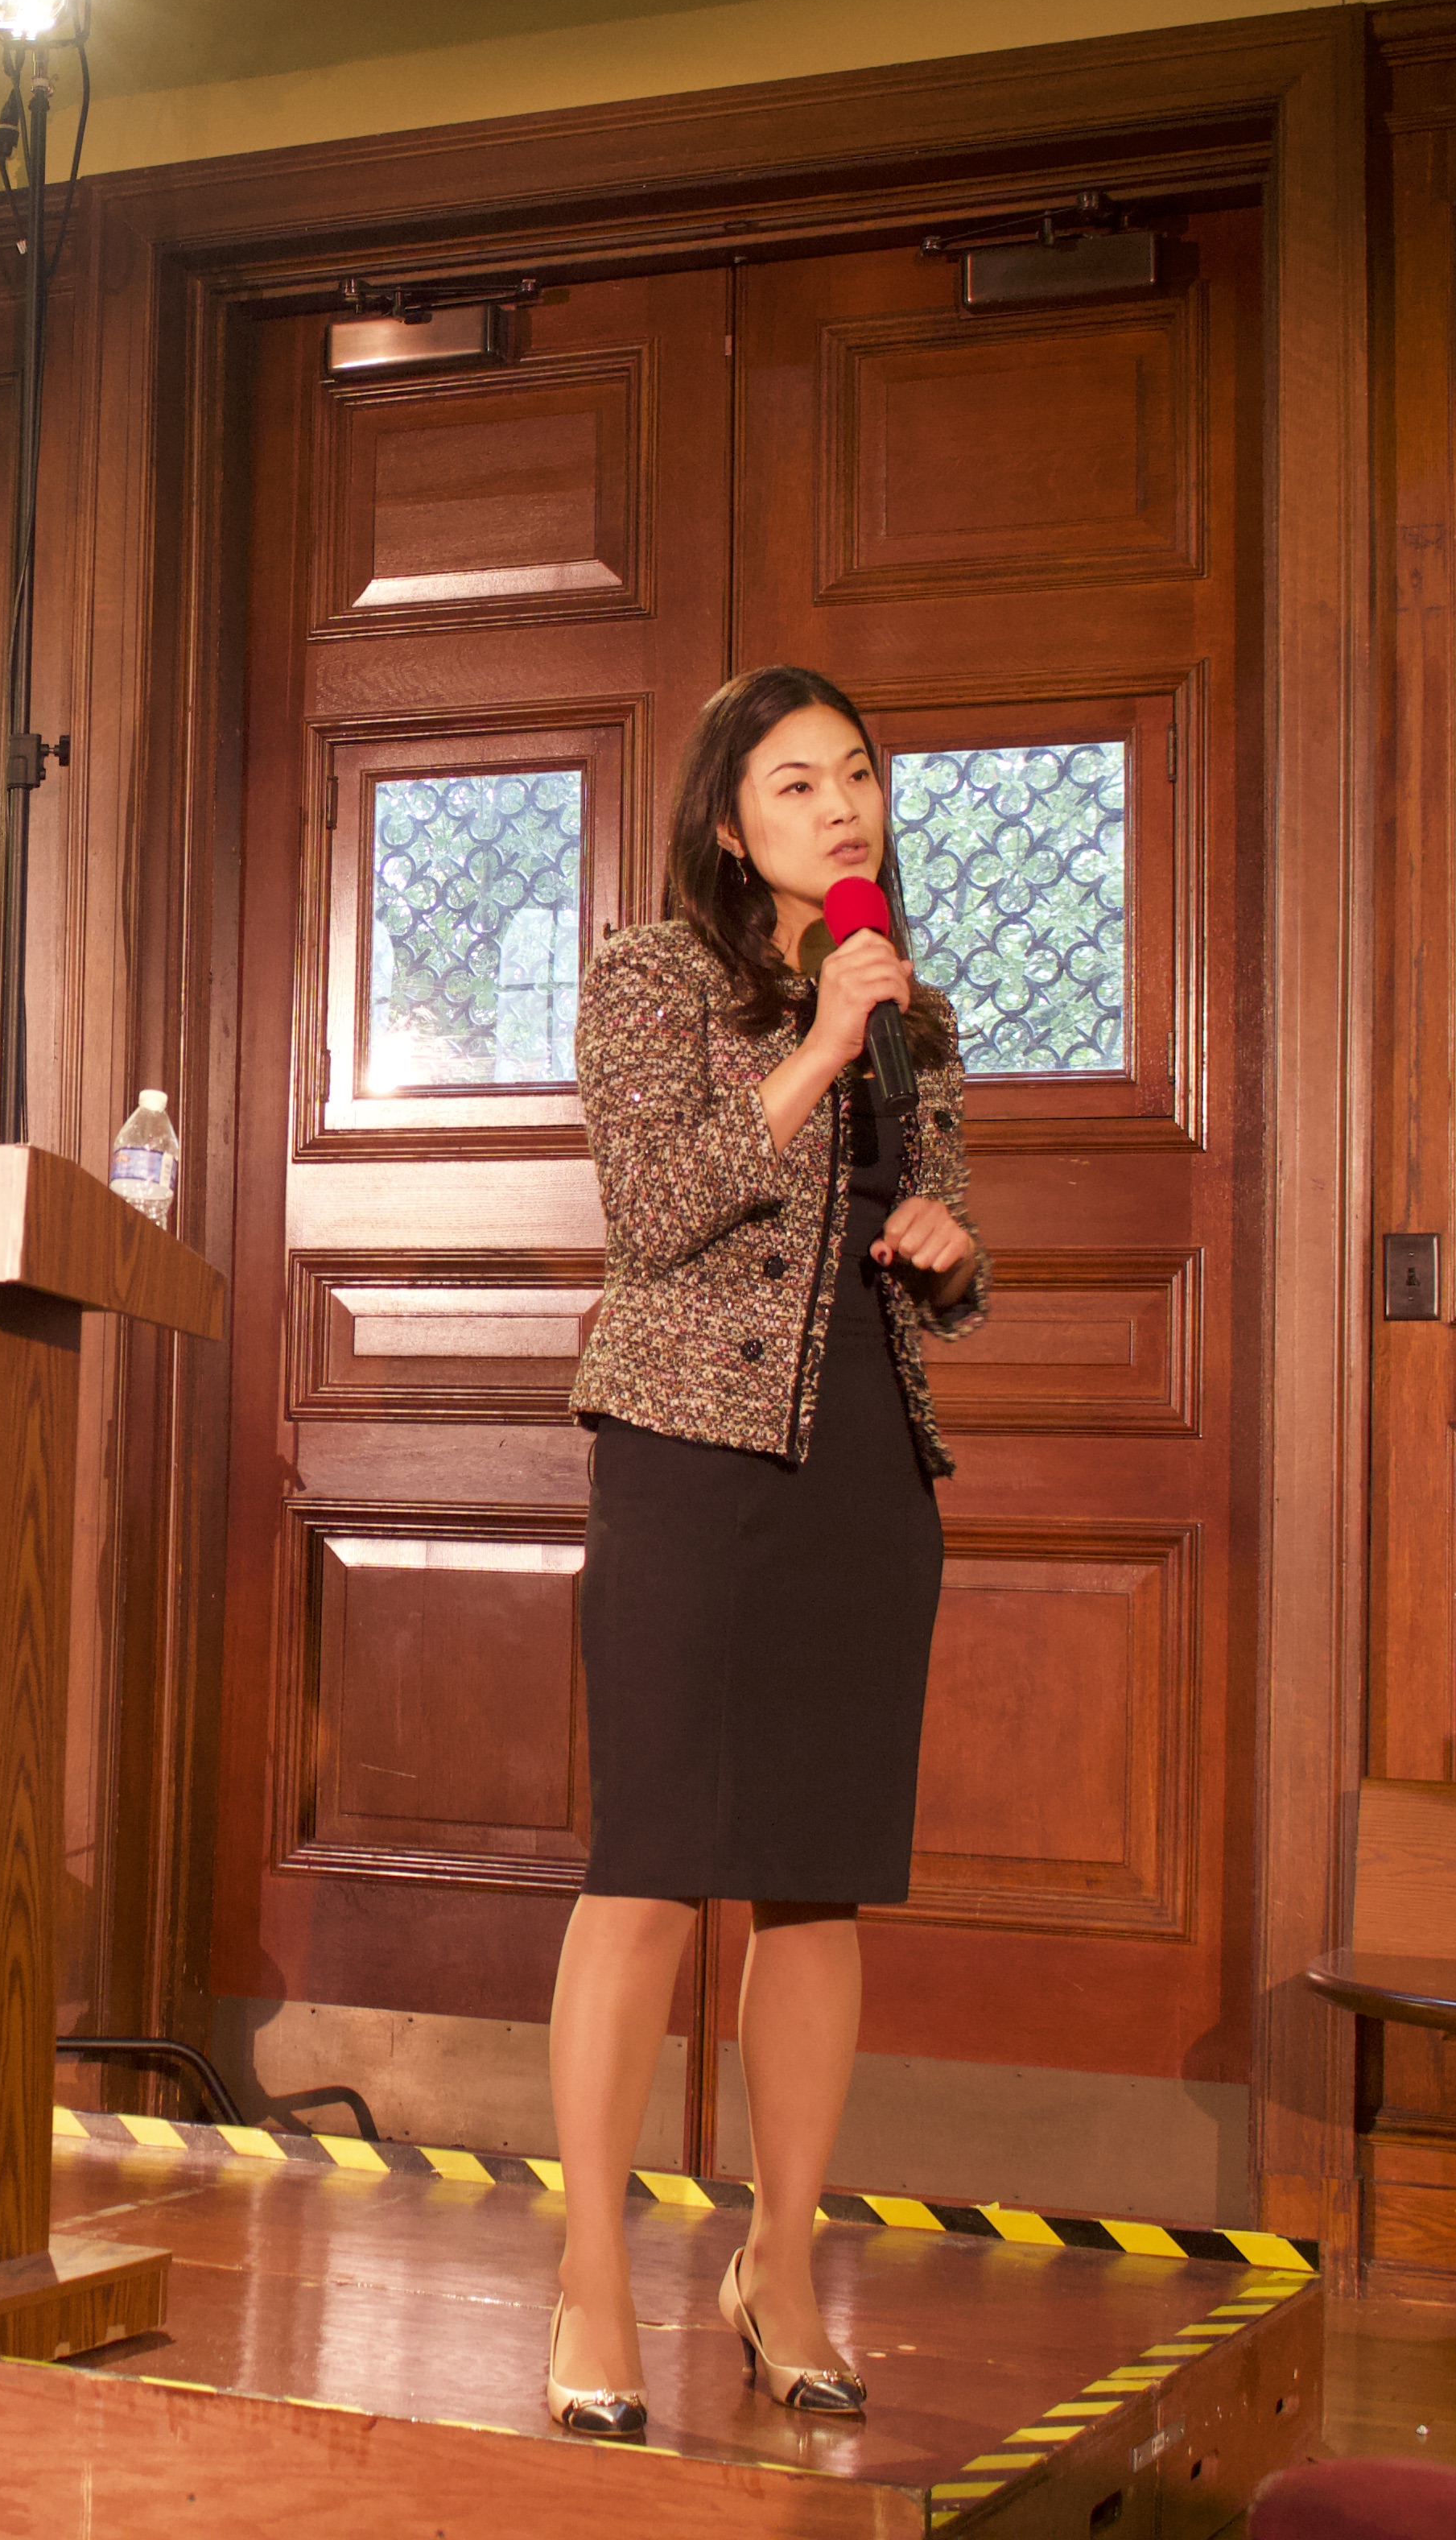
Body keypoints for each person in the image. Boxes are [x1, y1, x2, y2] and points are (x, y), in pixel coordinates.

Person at [537, 665, 991, 2440]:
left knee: (816, 1879)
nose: (841, 805)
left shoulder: (917, 1013)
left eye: (858, 775)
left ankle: (780, 2263)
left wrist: (952, 1254)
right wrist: (810, 1049)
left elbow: (944, 1243)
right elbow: (650, 1211)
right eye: (796, 783)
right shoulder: (653, 976)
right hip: (683, 1450)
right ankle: (591, 2272)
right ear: (731, 823)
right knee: (651, 1865)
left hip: (864, 1465)